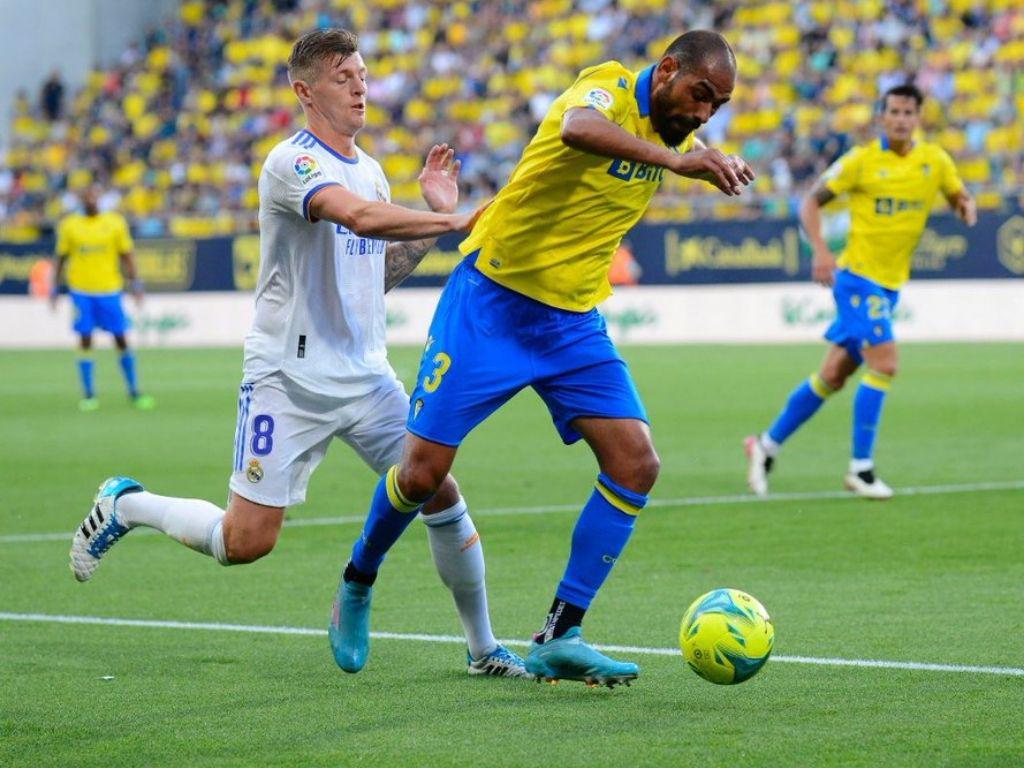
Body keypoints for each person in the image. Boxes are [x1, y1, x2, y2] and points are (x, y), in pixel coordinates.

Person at [69, 28, 528, 679]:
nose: (361, 85)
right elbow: (359, 219)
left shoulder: (369, 169)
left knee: (438, 491)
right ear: (304, 90)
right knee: (245, 542)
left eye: (364, 74)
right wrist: (456, 222)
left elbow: (374, 272)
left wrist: (431, 222)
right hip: (287, 380)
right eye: (344, 76)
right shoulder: (292, 163)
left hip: (367, 379)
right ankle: (128, 504)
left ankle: (484, 649)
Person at [330, 30, 755, 686]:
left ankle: (561, 633)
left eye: (717, 107)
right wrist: (681, 162)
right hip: (491, 304)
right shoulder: (607, 87)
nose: (702, 114)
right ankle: (357, 581)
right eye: (699, 95)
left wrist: (703, 151)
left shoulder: (676, 133)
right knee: (420, 475)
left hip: (571, 323)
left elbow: (680, 140)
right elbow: (579, 130)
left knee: (636, 464)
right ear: (666, 69)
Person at [746, 83, 976, 500]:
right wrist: (819, 251)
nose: (902, 119)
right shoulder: (861, 161)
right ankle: (861, 469)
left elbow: (957, 191)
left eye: (909, 112)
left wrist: (965, 204)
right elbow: (810, 203)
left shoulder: (935, 160)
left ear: (918, 118)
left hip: (889, 286)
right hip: (856, 279)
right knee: (885, 363)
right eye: (895, 112)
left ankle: (765, 445)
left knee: (832, 376)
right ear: (881, 117)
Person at [51, 186, 154, 411]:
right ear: (81, 200)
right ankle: (89, 394)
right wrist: (54, 287)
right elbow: (60, 257)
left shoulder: (115, 222)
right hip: (81, 291)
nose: (90, 199)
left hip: (110, 290)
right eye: (86, 196)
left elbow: (127, 255)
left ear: (99, 198)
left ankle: (134, 391)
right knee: (85, 338)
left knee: (120, 338)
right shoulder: (70, 225)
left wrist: (136, 284)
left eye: (93, 195)